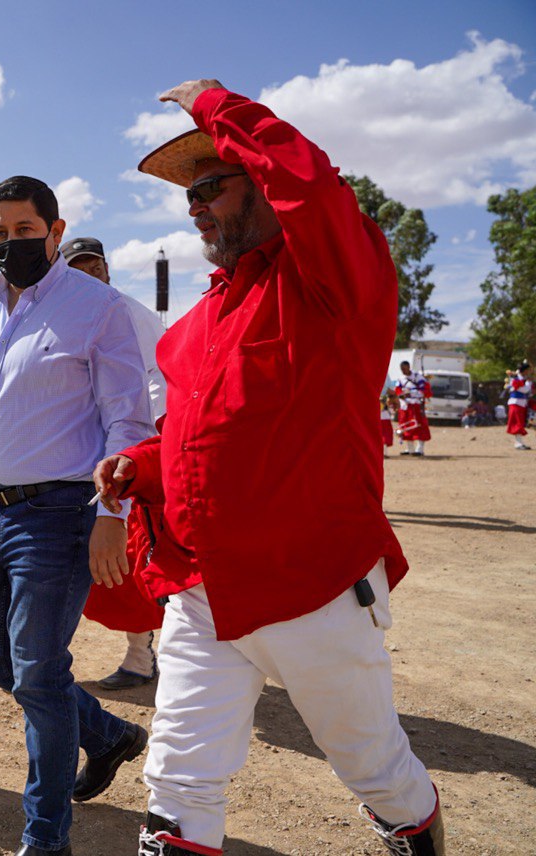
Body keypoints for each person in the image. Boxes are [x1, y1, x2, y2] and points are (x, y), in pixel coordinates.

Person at [94, 80, 441, 855]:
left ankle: (411, 825)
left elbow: (314, 189)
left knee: (375, 768)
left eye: (210, 185)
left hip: (310, 585)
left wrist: (222, 107)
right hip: (201, 589)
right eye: (189, 194)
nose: (195, 206)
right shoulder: (197, 325)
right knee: (177, 785)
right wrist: (142, 468)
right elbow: (202, 439)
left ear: (261, 185)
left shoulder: (332, 286)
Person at [0, 177, 155, 856]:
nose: (10, 244)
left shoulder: (97, 310)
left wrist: (113, 510)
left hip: (58, 514)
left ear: (54, 230)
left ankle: (45, 839)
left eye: (24, 231)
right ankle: (106, 735)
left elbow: (126, 421)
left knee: (40, 677)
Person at [60, 236, 166, 691]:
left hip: (134, 455)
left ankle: (144, 657)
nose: (89, 274)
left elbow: (160, 379)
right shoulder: (56, 316)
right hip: (81, 457)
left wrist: (144, 447)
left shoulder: (130, 313)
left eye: (94, 266)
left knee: (138, 557)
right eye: (77, 268)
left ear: (107, 269)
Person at [395, 360, 432, 457]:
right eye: (401, 369)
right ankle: (410, 449)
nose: (403, 370)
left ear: (408, 367)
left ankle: (419, 449)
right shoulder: (400, 379)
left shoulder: (418, 377)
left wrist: (411, 394)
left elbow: (423, 391)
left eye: (404, 368)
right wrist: (401, 395)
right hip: (405, 406)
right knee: (405, 426)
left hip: (416, 405)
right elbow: (397, 390)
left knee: (419, 426)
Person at [504, 361, 532, 450]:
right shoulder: (516, 378)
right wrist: (529, 383)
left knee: (519, 423)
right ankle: (518, 443)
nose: (528, 372)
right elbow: (524, 390)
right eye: (527, 370)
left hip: (520, 403)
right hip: (516, 403)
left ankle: (519, 442)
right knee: (517, 423)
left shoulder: (520, 378)